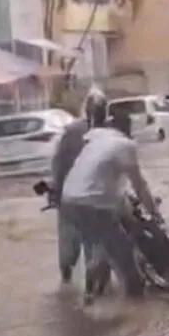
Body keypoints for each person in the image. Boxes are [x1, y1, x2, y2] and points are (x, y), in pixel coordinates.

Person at [60, 104, 163, 303]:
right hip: (92, 204)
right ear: (129, 129)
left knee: (99, 248)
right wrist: (155, 214)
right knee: (126, 261)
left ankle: (89, 300)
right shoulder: (126, 146)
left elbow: (108, 182)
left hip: (69, 200)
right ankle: (137, 314)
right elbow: (140, 186)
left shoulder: (96, 139)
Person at [50, 86, 109, 284]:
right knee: (95, 247)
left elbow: (58, 164)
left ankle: (67, 287)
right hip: (92, 201)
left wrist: (55, 192)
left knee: (70, 248)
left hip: (71, 199)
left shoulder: (72, 131)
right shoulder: (108, 132)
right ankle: (93, 288)